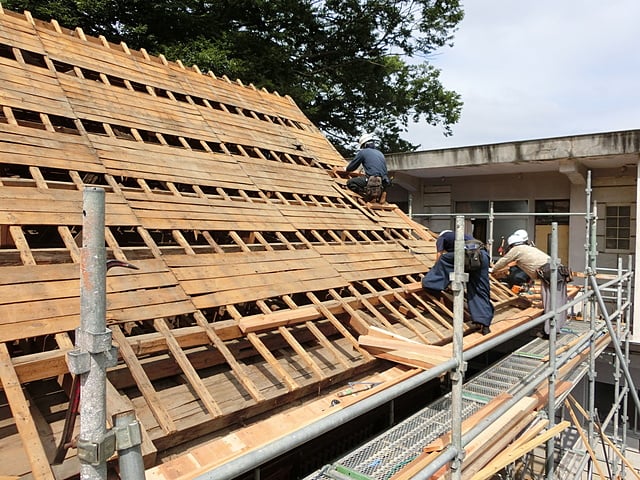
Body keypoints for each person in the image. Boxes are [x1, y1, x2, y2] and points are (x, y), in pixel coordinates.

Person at [492, 230, 570, 338]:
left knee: (550, 302)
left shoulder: (517, 250)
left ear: (512, 245)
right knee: (559, 301)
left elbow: (504, 261)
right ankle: (556, 327)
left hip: (549, 274)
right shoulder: (529, 248)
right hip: (558, 272)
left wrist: (492, 269)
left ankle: (549, 332)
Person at [422, 230, 494, 335]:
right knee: (479, 289)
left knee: (445, 259)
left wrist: (434, 267)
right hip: (482, 256)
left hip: (468, 255)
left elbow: (439, 254)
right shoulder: (463, 236)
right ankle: (484, 323)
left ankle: (431, 283)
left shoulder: (442, 238)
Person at [345, 132, 390, 202]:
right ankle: (381, 193)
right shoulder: (380, 153)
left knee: (350, 182)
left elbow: (351, 167)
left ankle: (366, 195)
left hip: (372, 180)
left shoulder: (363, 152)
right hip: (383, 182)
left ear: (364, 145)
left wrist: (346, 169)